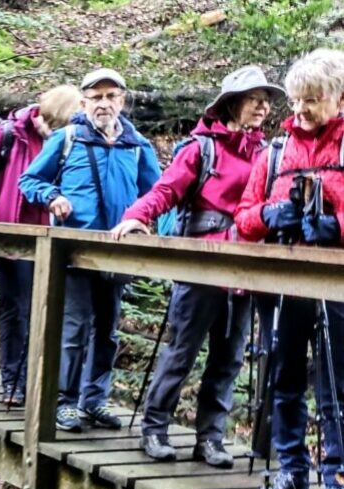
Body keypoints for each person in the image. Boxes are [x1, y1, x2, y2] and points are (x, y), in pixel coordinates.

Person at [111, 66, 284, 467]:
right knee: (182, 351)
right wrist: (137, 216)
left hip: (245, 269)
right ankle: (154, 429)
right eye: (253, 98)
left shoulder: (266, 153)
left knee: (229, 358)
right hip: (203, 264)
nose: (262, 106)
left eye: (266, 100)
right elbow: (167, 189)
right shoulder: (202, 148)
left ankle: (210, 438)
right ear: (232, 103)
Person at [234, 50, 344, 489]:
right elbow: (243, 217)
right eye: (297, 101)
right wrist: (268, 216)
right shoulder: (274, 153)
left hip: (337, 285)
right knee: (285, 378)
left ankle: (337, 479)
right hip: (284, 282)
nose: (300, 111)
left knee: (338, 383)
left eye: (312, 100)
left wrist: (336, 227)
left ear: (338, 98)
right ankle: (291, 472)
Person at [19, 68, 161, 433]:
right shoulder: (67, 139)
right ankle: (64, 401)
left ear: (122, 101)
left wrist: (155, 226)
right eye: (96, 97)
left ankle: (94, 400)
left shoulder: (137, 145)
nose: (104, 103)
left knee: (107, 330)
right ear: (83, 103)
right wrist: (53, 196)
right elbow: (30, 180)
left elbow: (158, 192)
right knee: (74, 327)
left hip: (119, 251)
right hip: (74, 249)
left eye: (111, 96)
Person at [0, 85, 81, 406]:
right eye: (50, 125)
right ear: (43, 114)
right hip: (10, 237)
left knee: (47, 311)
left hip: (51, 239)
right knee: (17, 309)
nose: (51, 133)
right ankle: (12, 383)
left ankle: (40, 383)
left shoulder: (71, 139)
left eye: (59, 129)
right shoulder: (11, 133)